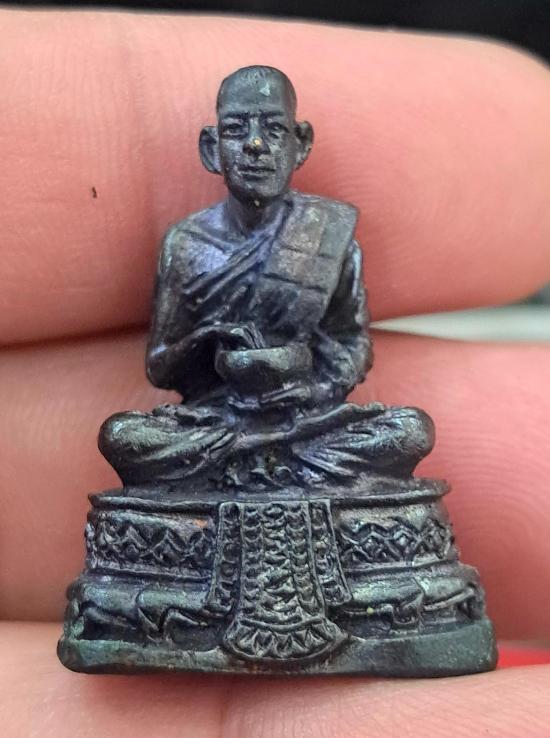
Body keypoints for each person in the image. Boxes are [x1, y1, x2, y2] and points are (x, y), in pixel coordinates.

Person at [2, 8, 550, 736]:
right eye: (237, 131)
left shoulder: (331, 236)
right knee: (125, 436)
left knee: (406, 430)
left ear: (301, 142)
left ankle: (261, 470)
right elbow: (161, 364)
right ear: (211, 147)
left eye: (272, 130)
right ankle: (260, 470)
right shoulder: (186, 245)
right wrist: (214, 349)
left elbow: (351, 348)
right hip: (218, 422)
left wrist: (309, 383)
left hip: (308, 421)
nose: (255, 146)